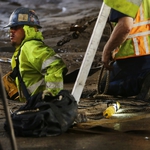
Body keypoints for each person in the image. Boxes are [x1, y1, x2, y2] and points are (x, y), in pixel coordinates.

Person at [4, 7, 67, 102]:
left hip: (42, 104)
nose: (11, 31)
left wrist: (52, 95)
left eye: (16, 27)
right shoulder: (23, 49)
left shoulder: (30, 46)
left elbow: (55, 65)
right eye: (11, 28)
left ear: (28, 29)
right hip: (35, 103)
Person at [100, 0, 150, 101]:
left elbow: (125, 26)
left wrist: (107, 49)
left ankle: (144, 79)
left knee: (105, 85)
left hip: (140, 56)